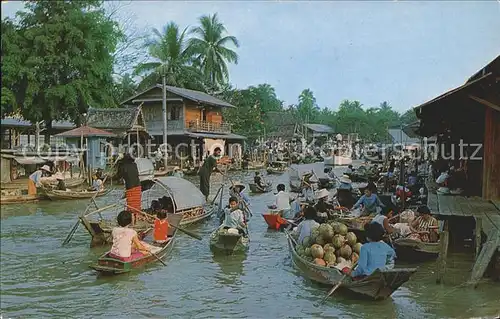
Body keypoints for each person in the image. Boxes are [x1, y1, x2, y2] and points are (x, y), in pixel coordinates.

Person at [116, 153, 141, 223]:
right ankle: (136, 221)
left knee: (131, 207)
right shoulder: (134, 165)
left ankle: (133, 223)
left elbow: (118, 176)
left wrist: (118, 165)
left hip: (130, 187)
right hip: (138, 186)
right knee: (136, 205)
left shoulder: (123, 166)